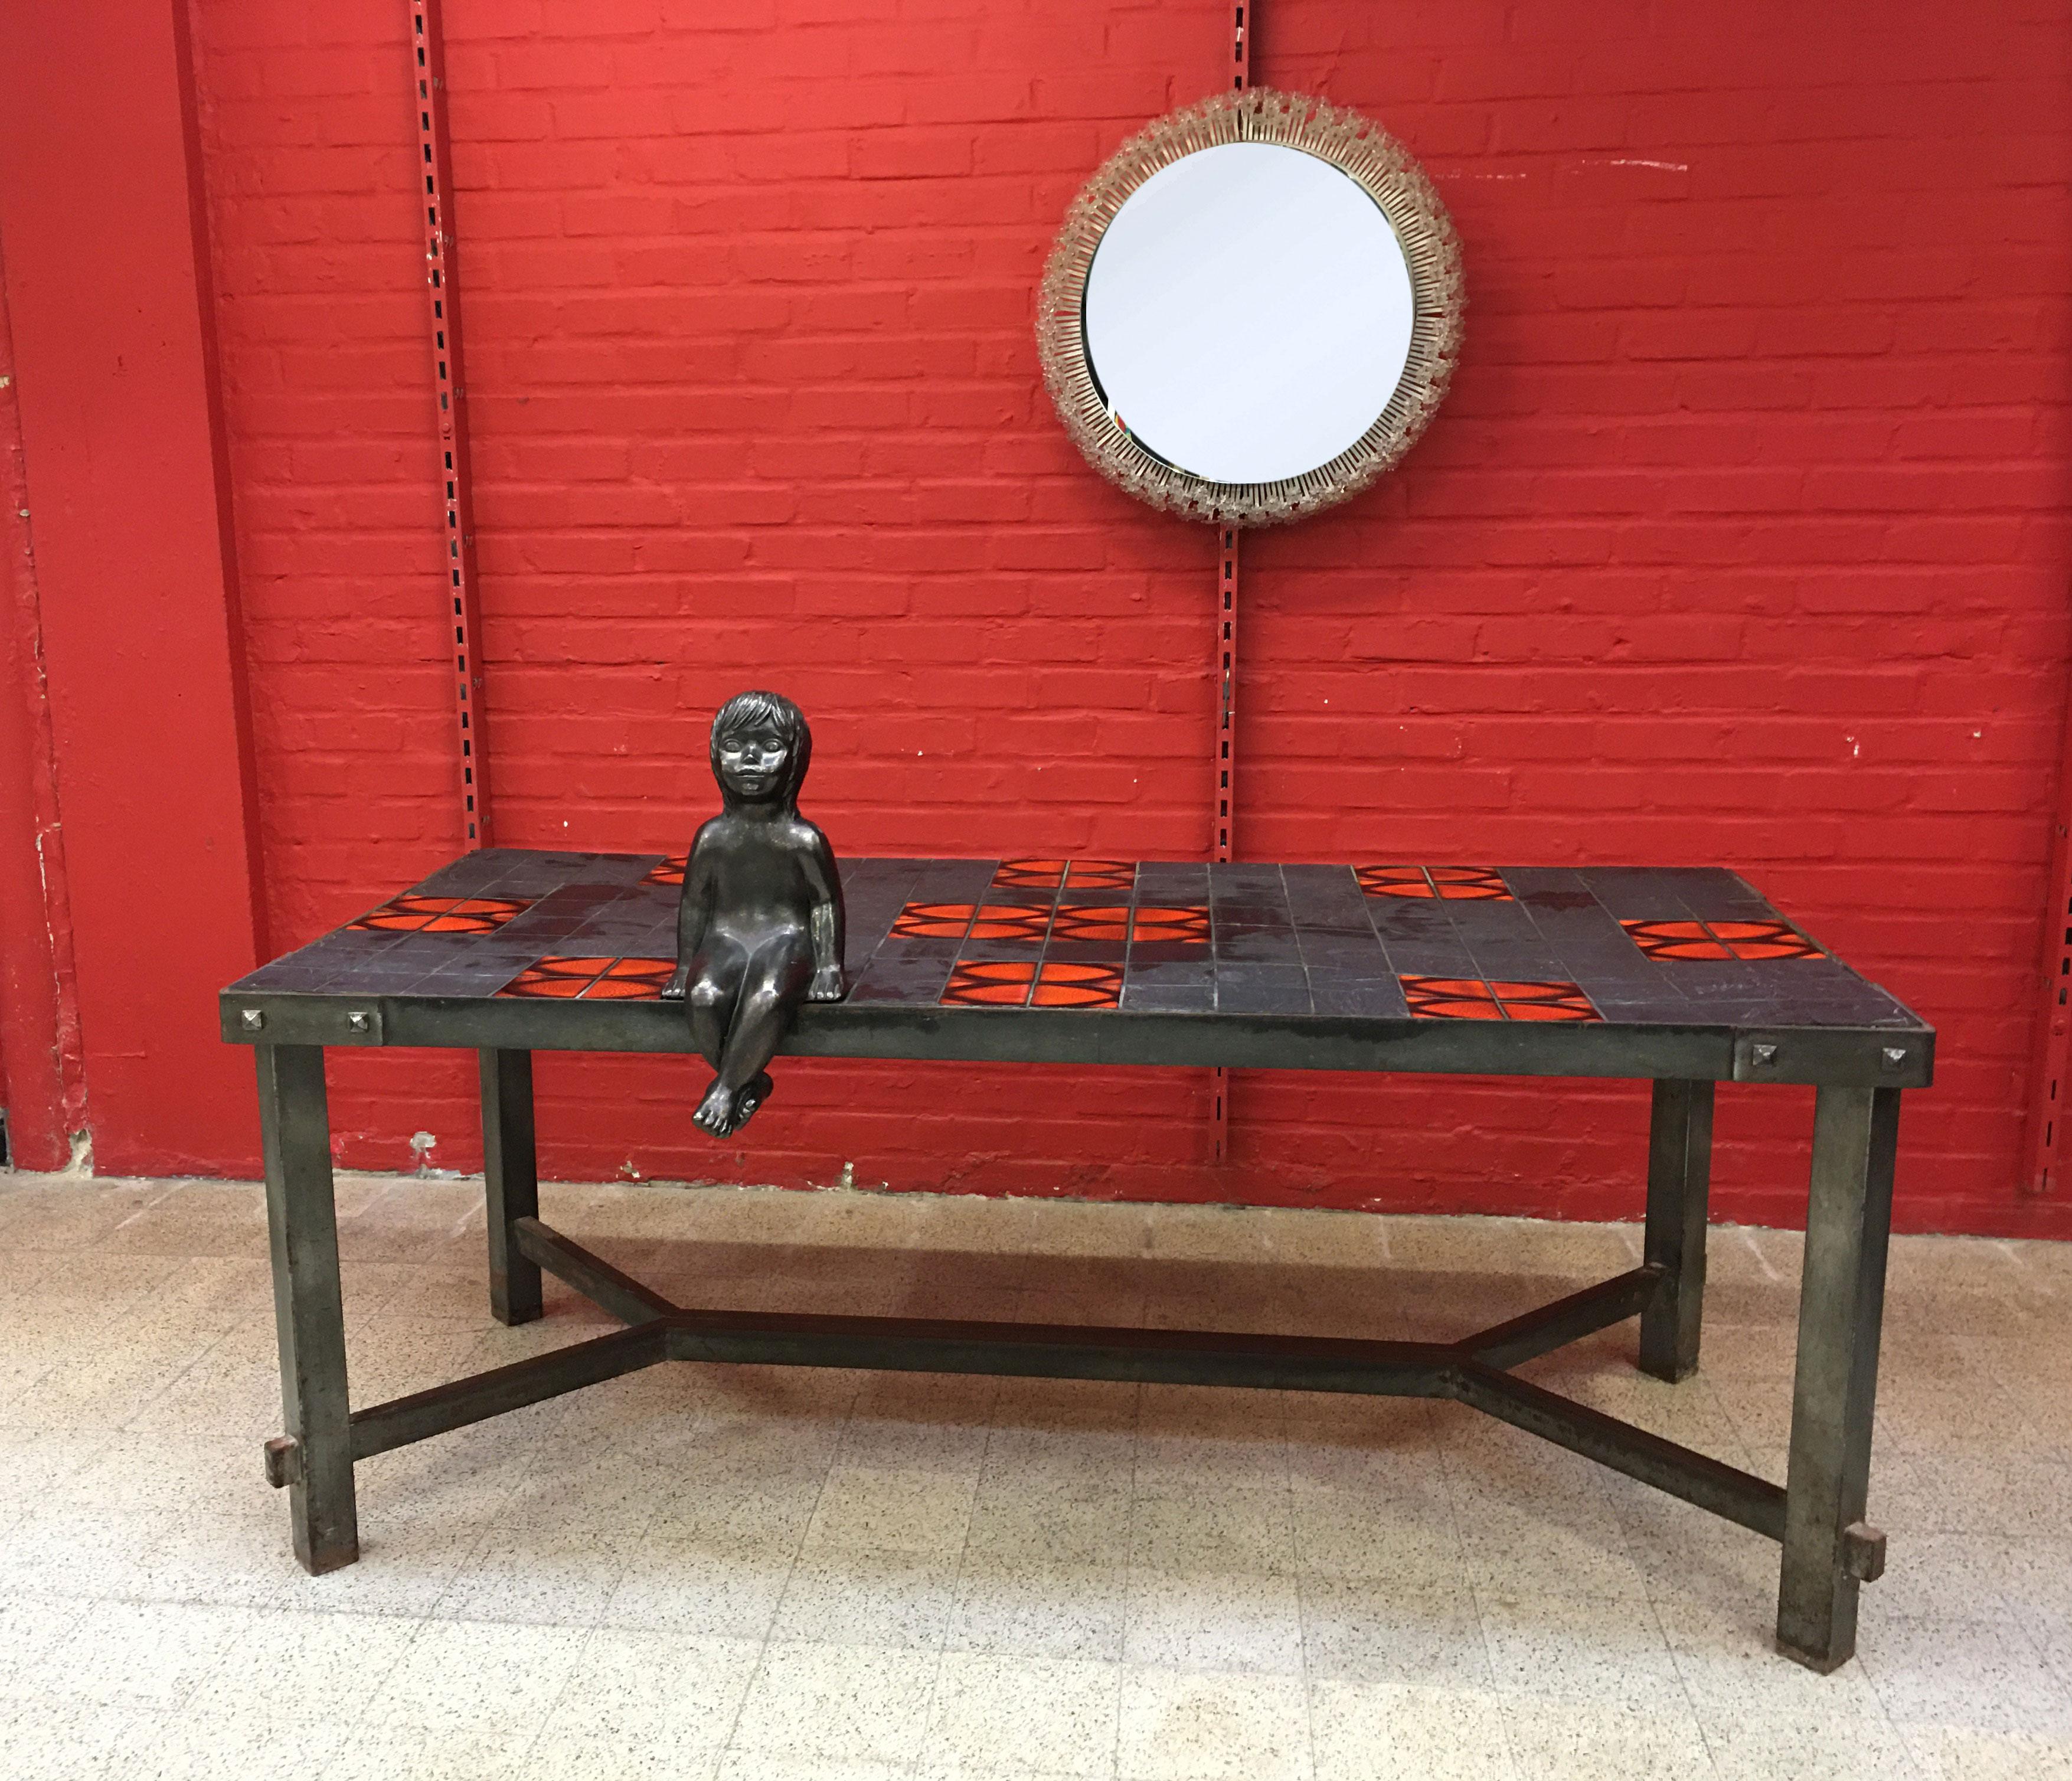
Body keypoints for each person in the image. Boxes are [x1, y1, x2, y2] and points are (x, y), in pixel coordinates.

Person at [661, 691, 847, 1136]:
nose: (749, 758)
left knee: (767, 996)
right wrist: (685, 965)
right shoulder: (712, 837)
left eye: (769, 747)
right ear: (715, 753)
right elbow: (696, 904)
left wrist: (829, 966)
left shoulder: (803, 839)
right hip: (726, 936)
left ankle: (725, 1089)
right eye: (735, 745)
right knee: (702, 996)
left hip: (786, 937)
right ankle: (747, 1078)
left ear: (795, 758)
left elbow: (824, 903)